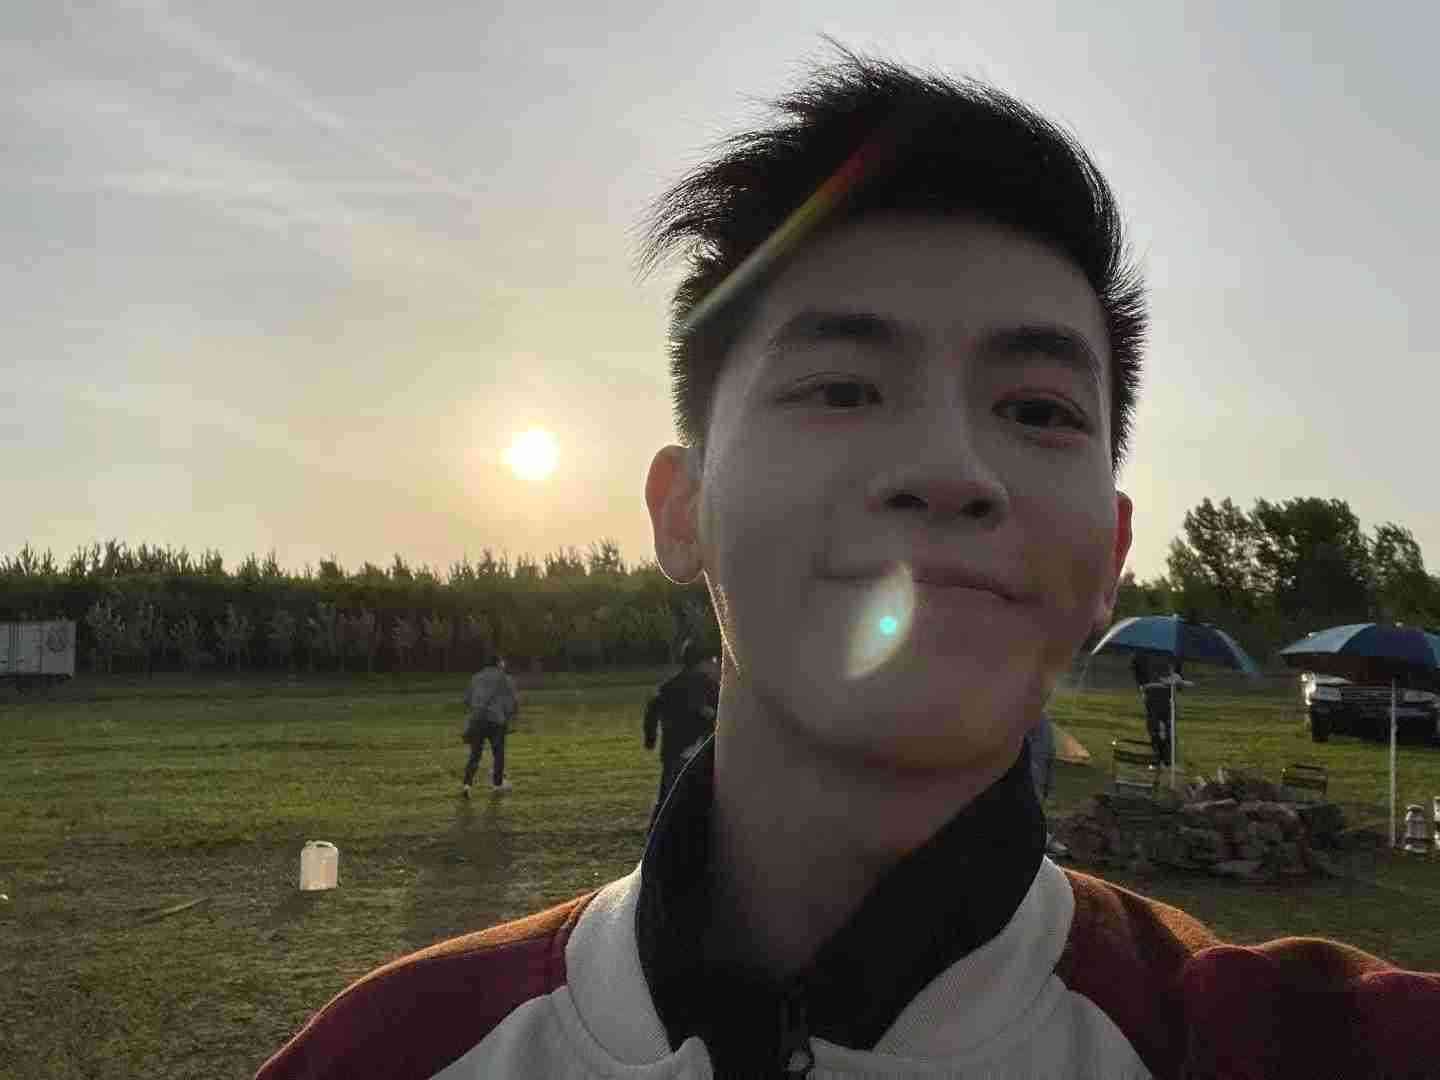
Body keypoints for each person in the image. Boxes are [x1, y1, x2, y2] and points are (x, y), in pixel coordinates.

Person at [256, 48, 1440, 1080]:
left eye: (1036, 409)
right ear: (682, 510)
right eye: (841, 388)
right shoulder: (392, 1054)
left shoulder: (1297, 1045)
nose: (949, 469)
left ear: (1112, 556)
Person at [643, 639, 720, 831]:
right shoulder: (709, 686)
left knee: (665, 801)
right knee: (702, 804)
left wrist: (650, 739)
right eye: (712, 661)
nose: (715, 665)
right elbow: (715, 715)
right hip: (698, 756)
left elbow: (652, 708)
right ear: (702, 662)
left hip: (672, 754)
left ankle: (655, 835)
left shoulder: (667, 687)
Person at [459, 654, 517, 796]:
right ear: (498, 663)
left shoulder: (475, 678)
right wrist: (509, 716)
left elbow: (467, 700)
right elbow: (512, 701)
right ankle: (497, 785)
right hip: (496, 720)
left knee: (475, 754)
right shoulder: (505, 678)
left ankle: (467, 785)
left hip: (477, 720)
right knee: (498, 754)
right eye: (502, 662)